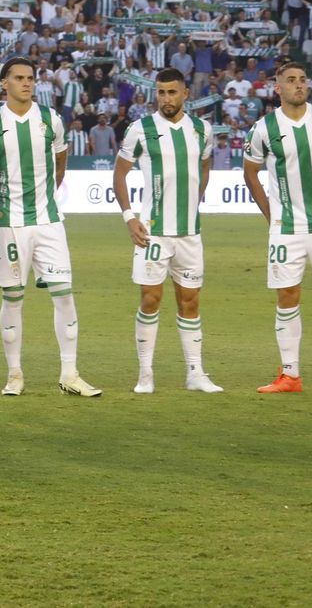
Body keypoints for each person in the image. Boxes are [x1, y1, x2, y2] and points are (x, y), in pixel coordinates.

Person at [0, 58, 101, 398]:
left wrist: (48, 194)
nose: (27, 83)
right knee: (13, 298)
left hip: (49, 222)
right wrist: (1, 202)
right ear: (4, 84)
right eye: (19, 78)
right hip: (10, 224)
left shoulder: (50, 119)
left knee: (64, 295)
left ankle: (70, 373)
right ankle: (14, 374)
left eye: (30, 78)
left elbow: (61, 160)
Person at [112, 68, 220, 395]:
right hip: (153, 232)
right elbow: (119, 176)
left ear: (185, 93)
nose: (166, 99)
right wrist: (130, 218)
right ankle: (145, 375)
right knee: (150, 298)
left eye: (172, 92)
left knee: (190, 301)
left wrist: (194, 199)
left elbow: (204, 166)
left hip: (189, 232)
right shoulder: (139, 130)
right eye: (161, 92)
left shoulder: (202, 129)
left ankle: (195, 373)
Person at [241, 60, 312, 394]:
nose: (298, 85)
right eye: (291, 80)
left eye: (302, 80)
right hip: (286, 228)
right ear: (277, 87)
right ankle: (290, 375)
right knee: (287, 297)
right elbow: (250, 172)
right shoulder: (263, 127)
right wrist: (271, 214)